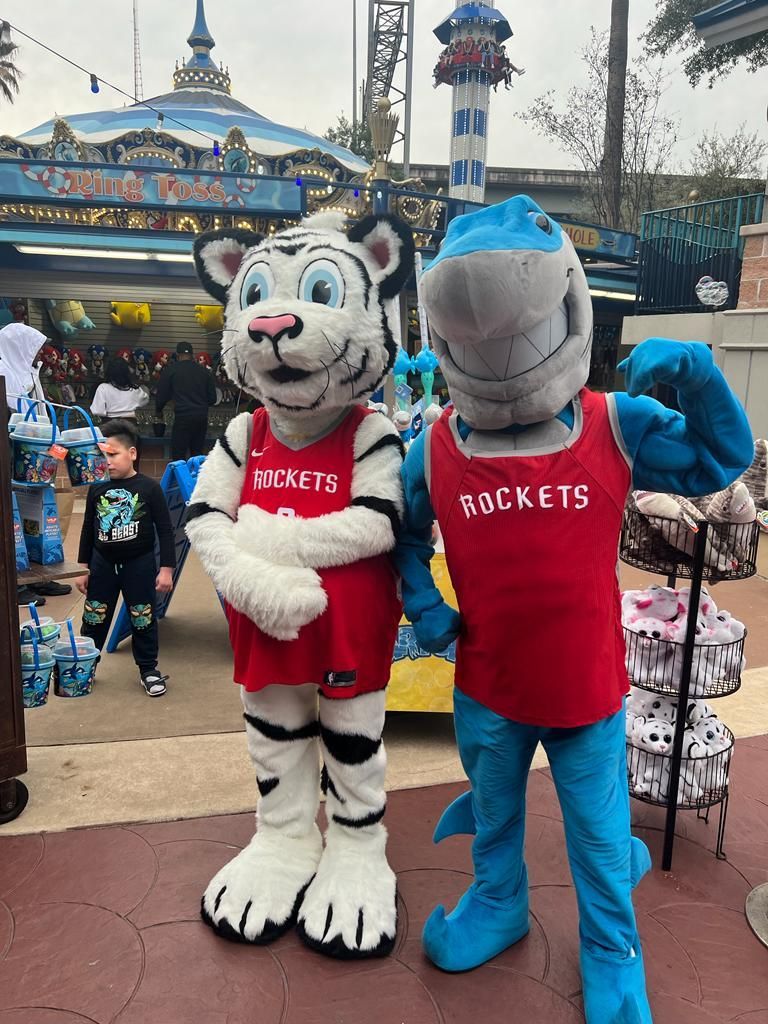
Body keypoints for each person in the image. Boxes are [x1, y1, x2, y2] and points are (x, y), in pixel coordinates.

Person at [75, 418, 175, 696]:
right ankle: (86, 667)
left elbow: (166, 531)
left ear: (132, 453)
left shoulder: (149, 488)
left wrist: (166, 569)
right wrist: (81, 567)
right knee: (94, 617)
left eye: (113, 453)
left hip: (139, 564)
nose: (107, 461)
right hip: (102, 564)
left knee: (142, 617)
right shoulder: (97, 487)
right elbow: (87, 529)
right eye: (102, 455)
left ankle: (148, 670)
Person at [0, 323, 71, 604]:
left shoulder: (28, 371)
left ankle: (38, 575)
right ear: (19, 345)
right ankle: (15, 584)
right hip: (9, 456)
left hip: (33, 455)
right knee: (12, 520)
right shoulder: (4, 371)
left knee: (37, 515)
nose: (39, 352)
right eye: (34, 346)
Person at [155, 341, 217, 461]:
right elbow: (212, 399)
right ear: (193, 355)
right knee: (197, 455)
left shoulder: (171, 371)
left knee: (179, 456)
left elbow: (161, 395)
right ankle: (195, 479)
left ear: (177, 355)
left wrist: (159, 410)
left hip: (182, 418)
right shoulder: (204, 372)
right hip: (201, 418)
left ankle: (180, 479)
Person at [90, 356, 149, 422]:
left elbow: (97, 411)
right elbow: (145, 400)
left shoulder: (103, 388)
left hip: (109, 425)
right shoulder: (134, 388)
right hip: (130, 425)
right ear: (127, 372)